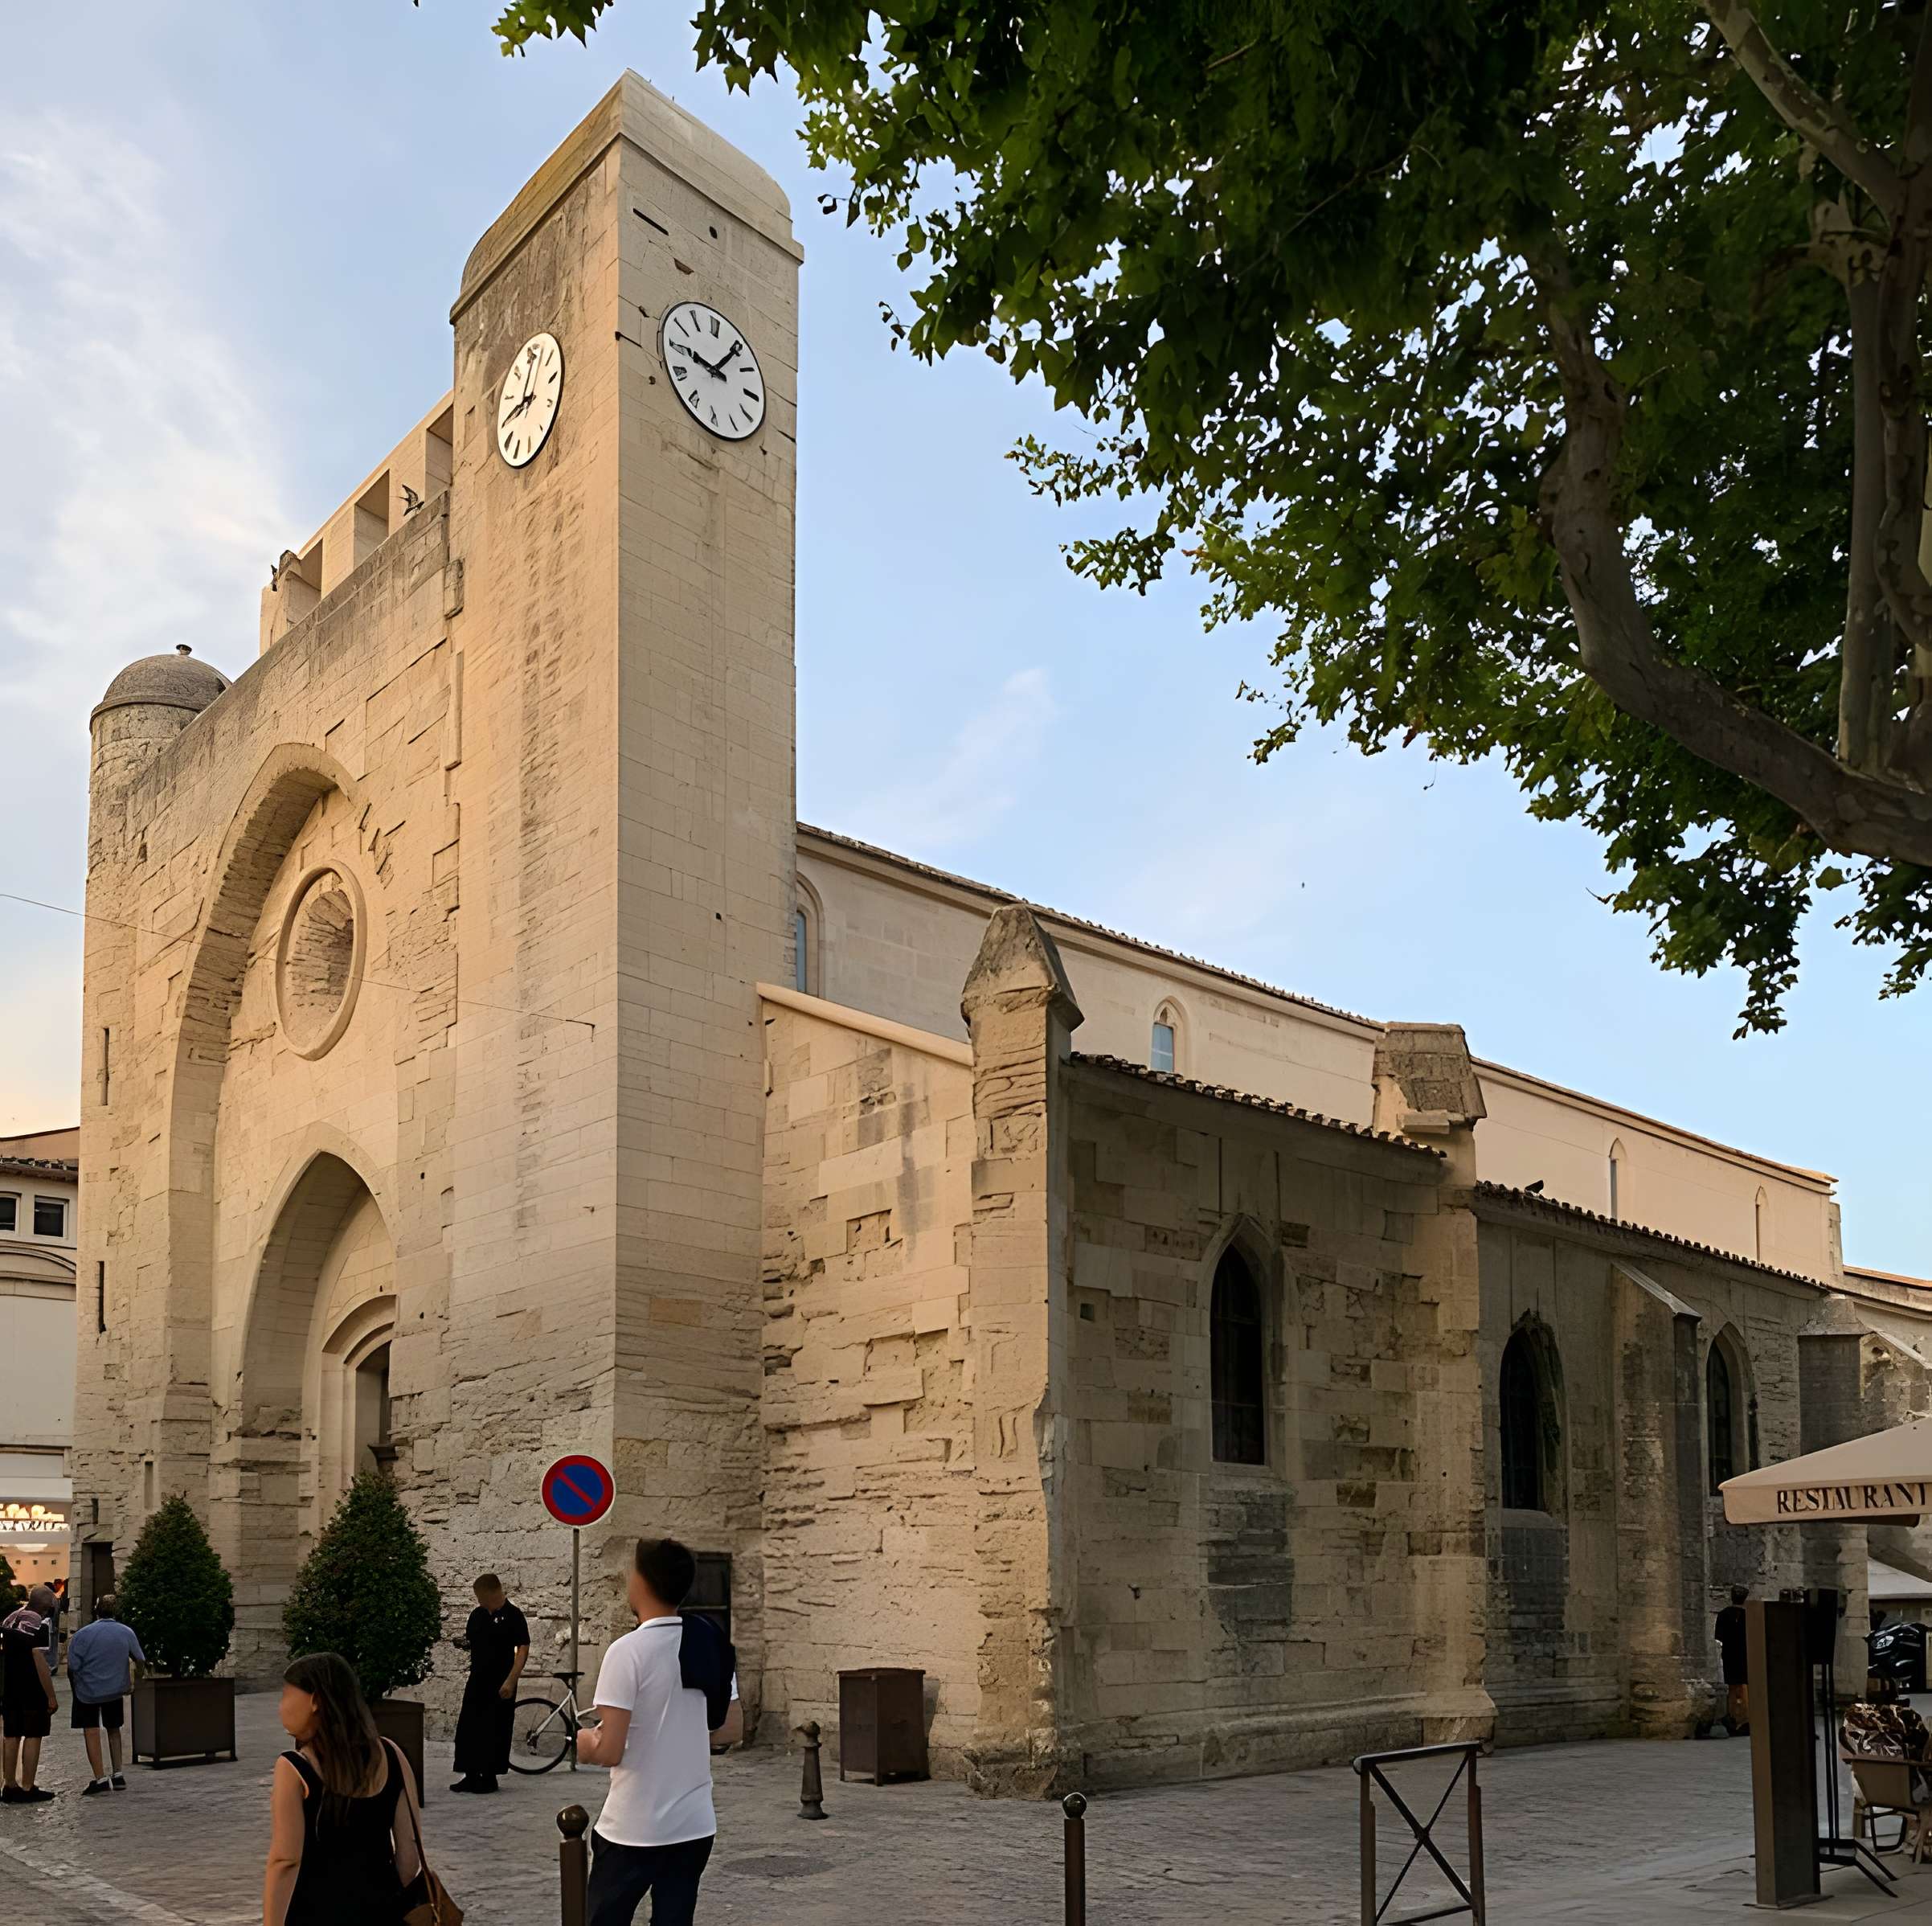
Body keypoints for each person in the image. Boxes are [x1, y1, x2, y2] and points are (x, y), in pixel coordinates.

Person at [572, 1539, 718, 1926]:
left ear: (643, 1582)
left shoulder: (629, 1651)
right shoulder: (709, 1643)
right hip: (694, 1823)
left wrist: (583, 1743)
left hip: (635, 1828)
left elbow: (610, 1750)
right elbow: (727, 1728)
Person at [264, 1652, 424, 1926]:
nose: (280, 1707)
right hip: (382, 1912)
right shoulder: (392, 1754)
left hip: (316, 1913)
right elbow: (409, 1858)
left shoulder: (294, 1768)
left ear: (314, 1701)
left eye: (286, 1695)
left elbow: (286, 1861)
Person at [451, 1572, 529, 1793]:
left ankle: (489, 1777)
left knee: (495, 1729)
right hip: (478, 1680)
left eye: (480, 1595)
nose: (478, 1600)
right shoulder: (477, 1615)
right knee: (470, 1727)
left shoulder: (513, 1616)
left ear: (491, 1592)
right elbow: (474, 1642)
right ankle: (470, 1774)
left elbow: (522, 1649)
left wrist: (511, 1680)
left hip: (501, 1682)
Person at [64, 1592, 145, 1794]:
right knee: (114, 1729)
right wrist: (138, 1679)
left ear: (96, 1611)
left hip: (87, 1691)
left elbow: (73, 1666)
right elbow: (140, 1659)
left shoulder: (82, 1635)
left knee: (91, 1730)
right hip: (114, 1689)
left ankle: (99, 1777)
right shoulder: (126, 1632)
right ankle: (118, 1774)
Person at [1, 1584, 59, 1803]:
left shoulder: (9, 1620)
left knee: (11, 1735)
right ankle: (27, 1787)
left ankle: (9, 1785)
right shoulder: (39, 1624)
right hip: (31, 1688)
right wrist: (51, 1696)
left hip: (10, 1687)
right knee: (34, 1734)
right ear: (46, 1606)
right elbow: (40, 1661)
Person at [1715, 1585, 1750, 1735]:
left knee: (1733, 1686)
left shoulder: (1723, 1615)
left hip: (1730, 1655)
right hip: (1745, 1655)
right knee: (1744, 1685)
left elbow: (1719, 1636)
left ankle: (1735, 1717)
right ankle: (1745, 1719)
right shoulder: (1750, 1616)